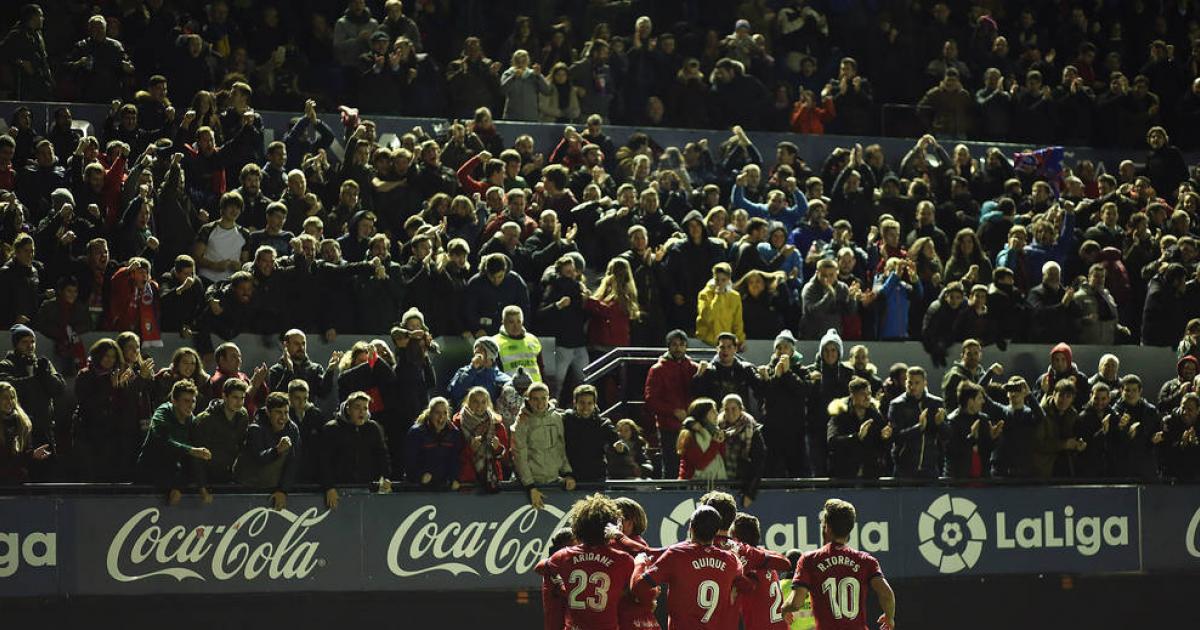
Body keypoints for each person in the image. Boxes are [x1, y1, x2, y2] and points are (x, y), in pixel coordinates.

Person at [782, 498, 897, 630]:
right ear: (850, 529)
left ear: (827, 528)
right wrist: (889, 617)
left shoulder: (809, 560)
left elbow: (796, 603)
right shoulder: (866, 561)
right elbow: (886, 594)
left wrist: (785, 608)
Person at [632, 504, 743, 629]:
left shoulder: (676, 554)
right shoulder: (731, 560)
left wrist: (639, 563)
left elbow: (639, 586)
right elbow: (740, 573)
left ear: (691, 527)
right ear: (717, 532)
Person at [542, 493, 636, 630]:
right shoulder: (624, 560)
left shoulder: (561, 557)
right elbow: (634, 597)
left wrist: (560, 585)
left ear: (577, 527)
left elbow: (542, 571)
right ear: (610, 527)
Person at [137, 380, 208, 505]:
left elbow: (193, 459)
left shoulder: (192, 421)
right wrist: (190, 450)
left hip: (173, 476)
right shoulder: (162, 413)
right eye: (186, 401)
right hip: (149, 473)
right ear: (174, 401)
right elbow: (162, 441)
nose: (191, 405)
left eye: (193, 401)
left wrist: (198, 488)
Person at [319, 391, 391, 510]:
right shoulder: (332, 428)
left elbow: (382, 455)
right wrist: (329, 487)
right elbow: (324, 461)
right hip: (339, 489)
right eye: (357, 407)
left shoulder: (373, 428)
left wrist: (385, 477)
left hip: (367, 489)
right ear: (348, 409)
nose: (362, 411)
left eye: (365, 408)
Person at [0, 323, 65, 456]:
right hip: (20, 429)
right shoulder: (6, 365)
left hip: (45, 427)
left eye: (33, 341)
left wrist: (45, 375)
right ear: (16, 344)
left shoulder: (42, 364)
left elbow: (59, 389)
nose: (30, 345)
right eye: (24, 342)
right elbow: (9, 388)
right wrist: (35, 379)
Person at [643, 329, 698, 478]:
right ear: (668, 346)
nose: (678, 348)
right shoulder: (657, 370)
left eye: (681, 344)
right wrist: (673, 411)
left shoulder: (694, 368)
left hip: (692, 426)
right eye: (674, 344)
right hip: (669, 427)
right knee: (671, 467)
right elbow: (650, 400)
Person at [511, 382, 575, 509]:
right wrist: (530, 487)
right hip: (529, 487)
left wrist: (567, 473)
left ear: (548, 398)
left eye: (543, 398)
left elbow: (560, 448)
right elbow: (519, 455)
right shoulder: (521, 422)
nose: (540, 403)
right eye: (535, 399)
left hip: (554, 482)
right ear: (528, 400)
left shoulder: (556, 417)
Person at [235, 391, 301, 509]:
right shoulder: (255, 429)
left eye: (286, 412)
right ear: (268, 412)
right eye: (278, 412)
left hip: (274, 485)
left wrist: (282, 490)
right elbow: (258, 459)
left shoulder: (292, 428)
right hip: (248, 482)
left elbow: (293, 462)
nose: (283, 417)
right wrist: (277, 450)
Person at [191, 377, 251, 503]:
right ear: (224, 396)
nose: (239, 402)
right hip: (207, 479)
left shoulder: (243, 416)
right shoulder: (206, 420)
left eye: (242, 398)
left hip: (228, 478)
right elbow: (197, 456)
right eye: (235, 397)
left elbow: (241, 446)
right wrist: (202, 488)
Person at [888, 366, 946, 478]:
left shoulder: (935, 403)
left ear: (925, 383)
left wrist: (941, 424)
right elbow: (895, 437)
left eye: (917, 383)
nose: (912, 386)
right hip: (905, 469)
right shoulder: (897, 405)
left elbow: (947, 435)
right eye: (910, 382)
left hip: (930, 468)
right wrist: (918, 428)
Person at [827, 377, 890, 479]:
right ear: (852, 395)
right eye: (863, 394)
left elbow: (881, 447)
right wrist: (857, 437)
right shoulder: (840, 413)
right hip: (845, 472)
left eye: (869, 393)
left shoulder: (875, 414)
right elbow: (832, 442)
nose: (867, 397)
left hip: (870, 473)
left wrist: (884, 437)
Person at [453, 385, 510, 492]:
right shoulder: (457, 423)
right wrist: (471, 449)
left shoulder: (496, 424)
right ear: (468, 403)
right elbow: (453, 453)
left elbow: (505, 457)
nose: (479, 406)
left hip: (491, 478)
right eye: (475, 402)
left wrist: (497, 448)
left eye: (483, 402)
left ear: (488, 404)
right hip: (467, 479)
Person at [561, 384, 621, 483]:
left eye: (589, 403)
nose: (585, 407)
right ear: (575, 403)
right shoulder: (566, 420)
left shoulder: (603, 423)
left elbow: (617, 442)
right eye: (582, 403)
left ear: (594, 404)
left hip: (596, 477)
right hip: (571, 477)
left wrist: (620, 447)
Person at [717, 394, 767, 506]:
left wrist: (750, 493)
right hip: (720, 481)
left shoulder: (752, 429)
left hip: (742, 483)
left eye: (734, 409)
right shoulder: (717, 426)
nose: (730, 413)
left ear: (741, 409)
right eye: (726, 409)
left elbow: (758, 462)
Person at [404, 397, 463, 489]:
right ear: (430, 413)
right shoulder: (416, 432)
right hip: (420, 487)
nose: (441, 417)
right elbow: (409, 462)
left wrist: (454, 478)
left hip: (444, 487)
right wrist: (419, 476)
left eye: (445, 413)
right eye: (437, 413)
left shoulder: (454, 433)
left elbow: (455, 459)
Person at [0, 382, 52, 484]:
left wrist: (33, 455)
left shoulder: (22, 422)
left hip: (18, 482)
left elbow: (24, 456)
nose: (10, 401)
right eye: (5, 398)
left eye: (12, 397)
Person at [696, 262, 744, 347]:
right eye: (717, 279)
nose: (720, 283)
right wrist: (717, 297)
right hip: (705, 341)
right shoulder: (704, 294)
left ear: (729, 279)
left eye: (723, 280)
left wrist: (740, 340)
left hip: (726, 343)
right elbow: (706, 317)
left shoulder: (735, 297)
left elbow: (738, 321)